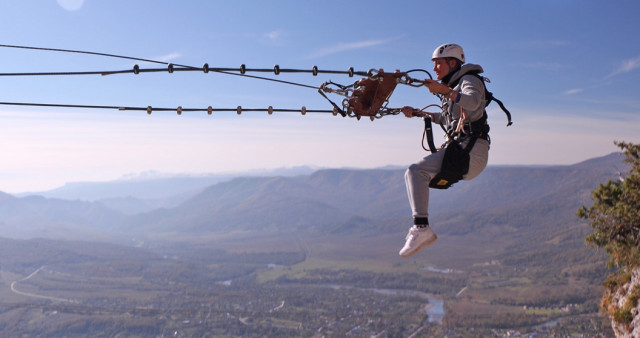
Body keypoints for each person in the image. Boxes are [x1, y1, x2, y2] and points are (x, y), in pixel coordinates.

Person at [399, 43, 491, 257]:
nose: (435, 69)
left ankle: (421, 228)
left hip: (471, 151)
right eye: (434, 64)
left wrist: (446, 92)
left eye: (438, 64)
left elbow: (474, 102)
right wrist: (421, 114)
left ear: (452, 62)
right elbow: (451, 119)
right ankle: (421, 228)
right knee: (414, 175)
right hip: (465, 150)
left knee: (415, 171)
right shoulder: (455, 86)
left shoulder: (469, 80)